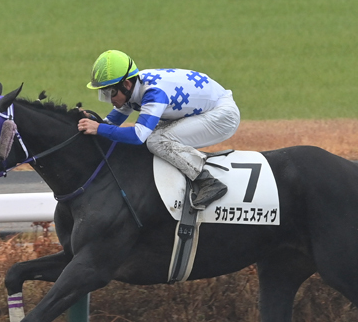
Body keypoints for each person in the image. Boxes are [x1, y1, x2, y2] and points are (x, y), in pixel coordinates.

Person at [77, 50, 240, 210]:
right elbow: (110, 123)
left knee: (155, 140)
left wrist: (98, 128)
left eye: (110, 93)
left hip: (222, 116)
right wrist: (90, 122)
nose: (109, 100)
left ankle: (208, 181)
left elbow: (137, 136)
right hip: (207, 108)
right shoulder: (133, 87)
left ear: (126, 84)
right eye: (103, 94)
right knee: (153, 137)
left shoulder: (153, 93)